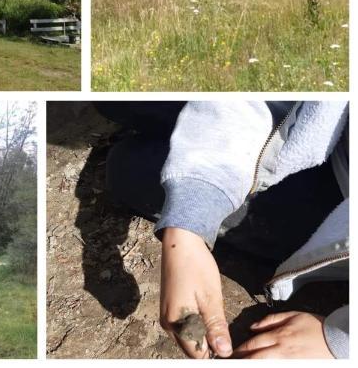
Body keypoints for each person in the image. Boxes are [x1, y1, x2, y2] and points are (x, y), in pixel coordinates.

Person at [99, 102, 348, 359]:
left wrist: (342, 342)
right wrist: (187, 230)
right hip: (328, 138)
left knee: (127, 166)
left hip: (337, 210)